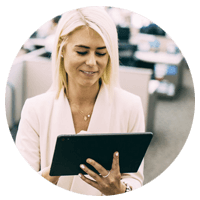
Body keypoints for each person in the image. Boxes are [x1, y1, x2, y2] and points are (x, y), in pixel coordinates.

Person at [15, 6, 145, 196]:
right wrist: (51, 175)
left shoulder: (130, 106)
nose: (92, 62)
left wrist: (120, 190)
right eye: (82, 52)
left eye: (101, 53)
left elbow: (134, 178)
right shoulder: (35, 109)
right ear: (61, 49)